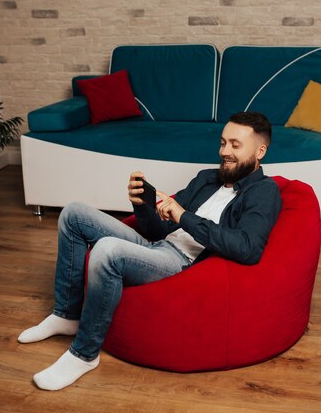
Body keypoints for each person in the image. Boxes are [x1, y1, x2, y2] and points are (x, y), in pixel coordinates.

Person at [18, 111, 282, 390]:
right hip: (157, 246)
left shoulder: (264, 192)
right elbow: (157, 229)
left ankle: (84, 354)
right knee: (73, 213)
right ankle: (67, 315)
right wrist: (142, 204)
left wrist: (184, 216)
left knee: (107, 250)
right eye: (222, 142)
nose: (224, 151)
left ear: (260, 150)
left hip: (179, 262)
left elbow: (248, 248)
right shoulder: (207, 178)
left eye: (235, 145)